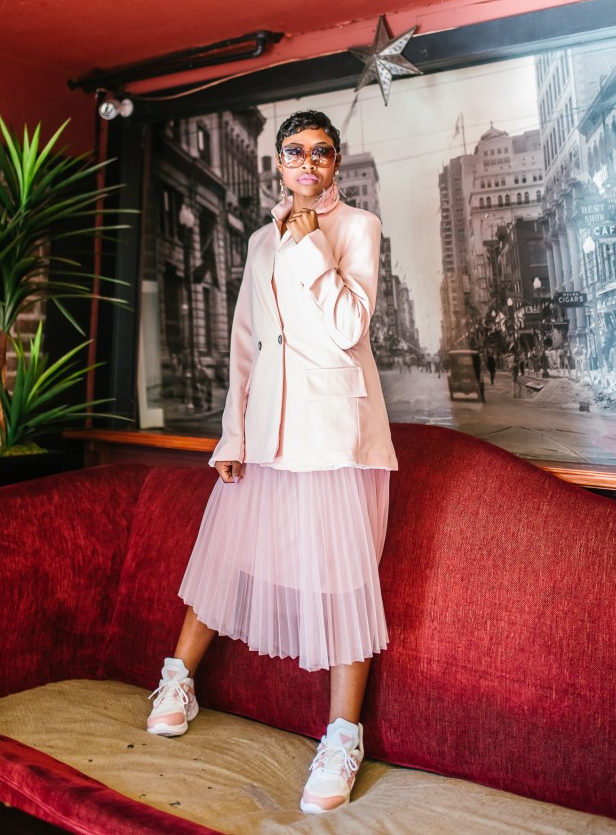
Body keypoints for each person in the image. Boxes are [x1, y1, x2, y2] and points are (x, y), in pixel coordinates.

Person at [146, 110, 398, 814]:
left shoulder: (359, 228)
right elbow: (246, 344)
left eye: (322, 153)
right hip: (267, 431)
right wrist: (233, 437)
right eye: (295, 152)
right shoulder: (258, 241)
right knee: (225, 555)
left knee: (345, 584)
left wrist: (312, 240)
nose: (308, 164)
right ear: (278, 164)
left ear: (335, 163)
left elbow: (350, 326)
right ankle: (177, 681)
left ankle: (342, 738)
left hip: (336, 435)